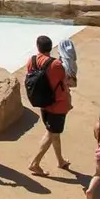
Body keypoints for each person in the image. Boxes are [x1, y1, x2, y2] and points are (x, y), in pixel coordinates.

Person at [27, 35, 73, 176]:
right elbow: (68, 82)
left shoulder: (32, 61)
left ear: (38, 47)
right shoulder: (56, 65)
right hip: (57, 104)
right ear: (51, 47)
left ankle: (60, 160)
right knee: (51, 133)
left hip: (42, 101)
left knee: (54, 131)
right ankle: (35, 163)